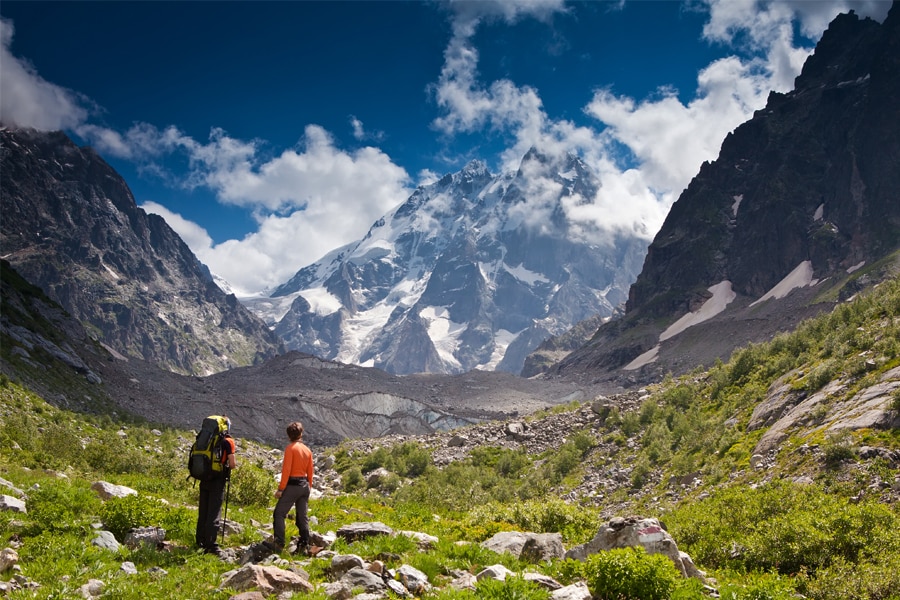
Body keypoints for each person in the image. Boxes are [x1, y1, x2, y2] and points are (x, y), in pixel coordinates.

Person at [269, 420, 314, 555]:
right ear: (301, 433)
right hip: (304, 485)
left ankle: (279, 543)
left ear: (289, 435)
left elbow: (286, 470)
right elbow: (310, 472)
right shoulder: (307, 450)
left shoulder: (290, 449)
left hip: (292, 485)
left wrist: (281, 489)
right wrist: (308, 488)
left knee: (279, 513)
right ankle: (304, 544)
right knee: (302, 516)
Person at [195, 416, 236, 554]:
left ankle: (200, 541)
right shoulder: (228, 441)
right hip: (218, 480)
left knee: (203, 511)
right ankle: (211, 545)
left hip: (204, 477)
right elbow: (232, 464)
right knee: (214, 512)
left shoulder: (205, 438)